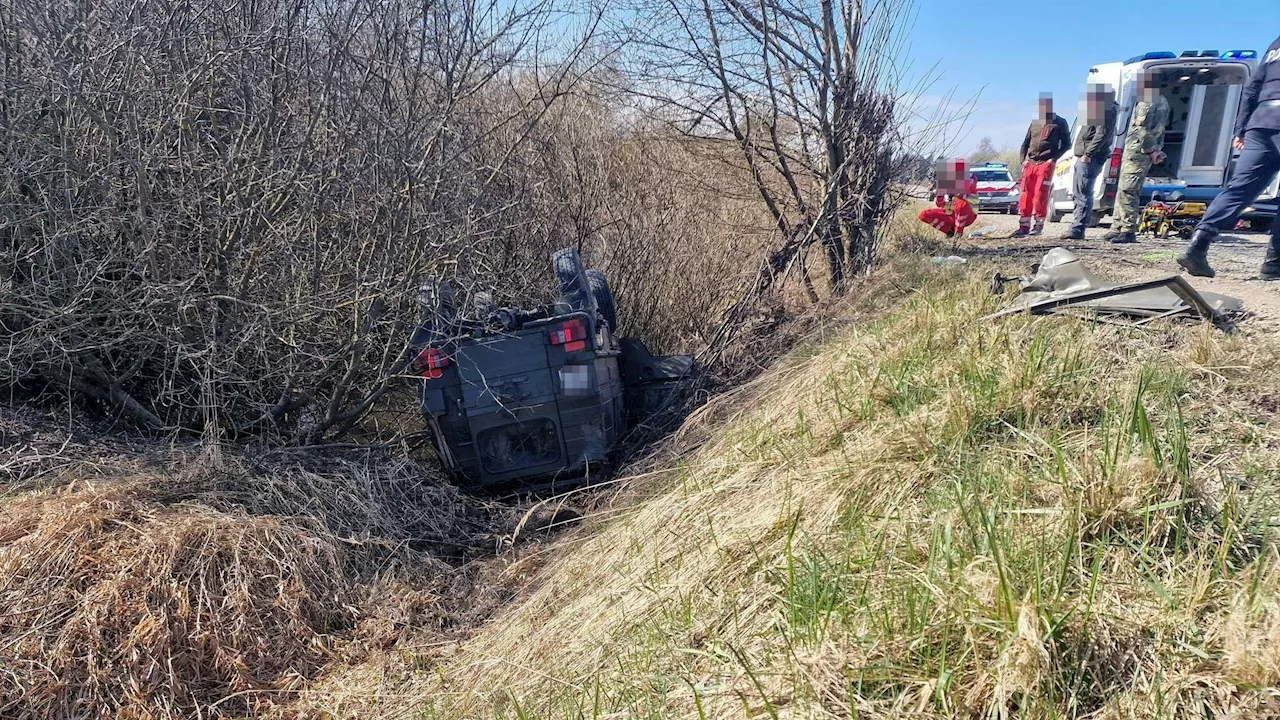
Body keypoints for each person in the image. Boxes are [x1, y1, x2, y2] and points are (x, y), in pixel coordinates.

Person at [1178, 34, 1280, 279]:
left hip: (1261, 123)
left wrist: (1241, 128)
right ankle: (1273, 264)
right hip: (1263, 123)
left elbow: (1252, 87)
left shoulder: (1276, 44)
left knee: (1238, 190)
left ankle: (1198, 245)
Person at [1103, 70, 1170, 244]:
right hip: (1142, 152)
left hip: (1138, 153)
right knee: (1123, 189)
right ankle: (1117, 226)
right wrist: (1157, 149)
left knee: (1128, 190)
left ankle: (1127, 229)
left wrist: (1150, 150)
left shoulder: (1147, 102)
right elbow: (1161, 131)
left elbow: (1142, 129)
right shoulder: (1163, 101)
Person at [1061, 84, 1118, 240]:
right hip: (1085, 157)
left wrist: (1088, 153)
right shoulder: (1100, 109)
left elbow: (1102, 134)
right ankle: (1076, 226)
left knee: (1083, 193)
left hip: (1090, 158)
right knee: (1079, 192)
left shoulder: (1106, 109)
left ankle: (1078, 228)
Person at [1014, 95, 1071, 238]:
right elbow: (1025, 143)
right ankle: (1023, 226)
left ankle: (1038, 225)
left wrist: (1053, 159)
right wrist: (1023, 160)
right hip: (1030, 163)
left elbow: (1066, 144)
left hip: (1045, 163)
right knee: (1026, 194)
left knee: (1040, 194)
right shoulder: (1034, 123)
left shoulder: (1060, 123)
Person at [918, 159, 977, 238]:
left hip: (969, 214)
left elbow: (963, 191)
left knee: (961, 204)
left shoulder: (970, 179)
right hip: (951, 213)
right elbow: (940, 204)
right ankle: (950, 231)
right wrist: (938, 193)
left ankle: (958, 233)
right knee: (924, 215)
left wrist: (942, 186)